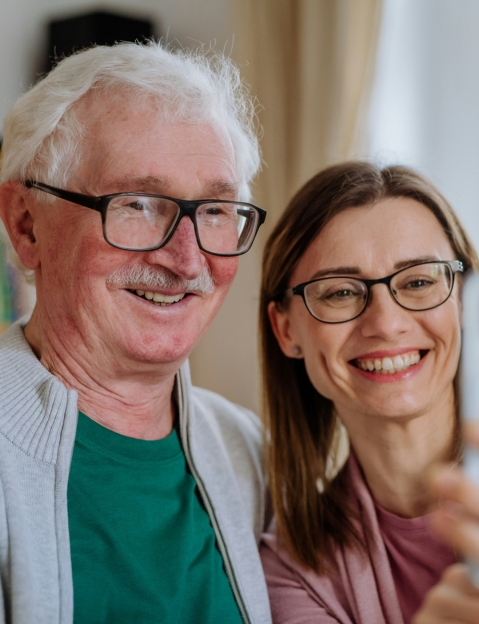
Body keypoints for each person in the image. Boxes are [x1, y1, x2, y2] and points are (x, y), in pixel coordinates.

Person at [0, 42, 271, 624]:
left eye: (217, 211)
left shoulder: (249, 452)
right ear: (26, 225)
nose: (187, 257)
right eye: (139, 204)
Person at [259, 161, 478, 624]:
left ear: (461, 297)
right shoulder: (293, 571)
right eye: (340, 292)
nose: (385, 323)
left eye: (418, 281)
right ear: (285, 330)